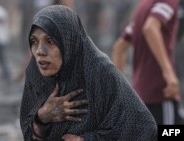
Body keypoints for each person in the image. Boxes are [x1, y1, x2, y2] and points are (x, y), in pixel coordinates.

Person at [20, 5, 157, 141]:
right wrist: (42, 117)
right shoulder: (36, 75)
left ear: (68, 41)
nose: (39, 51)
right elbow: (28, 135)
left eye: (50, 41)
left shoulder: (99, 71)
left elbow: (145, 129)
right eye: (34, 42)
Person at [112, 0, 183, 124]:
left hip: (141, 98)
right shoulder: (169, 1)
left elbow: (119, 47)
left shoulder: (143, 7)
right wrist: (168, 73)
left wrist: (121, 92)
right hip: (161, 95)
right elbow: (150, 28)